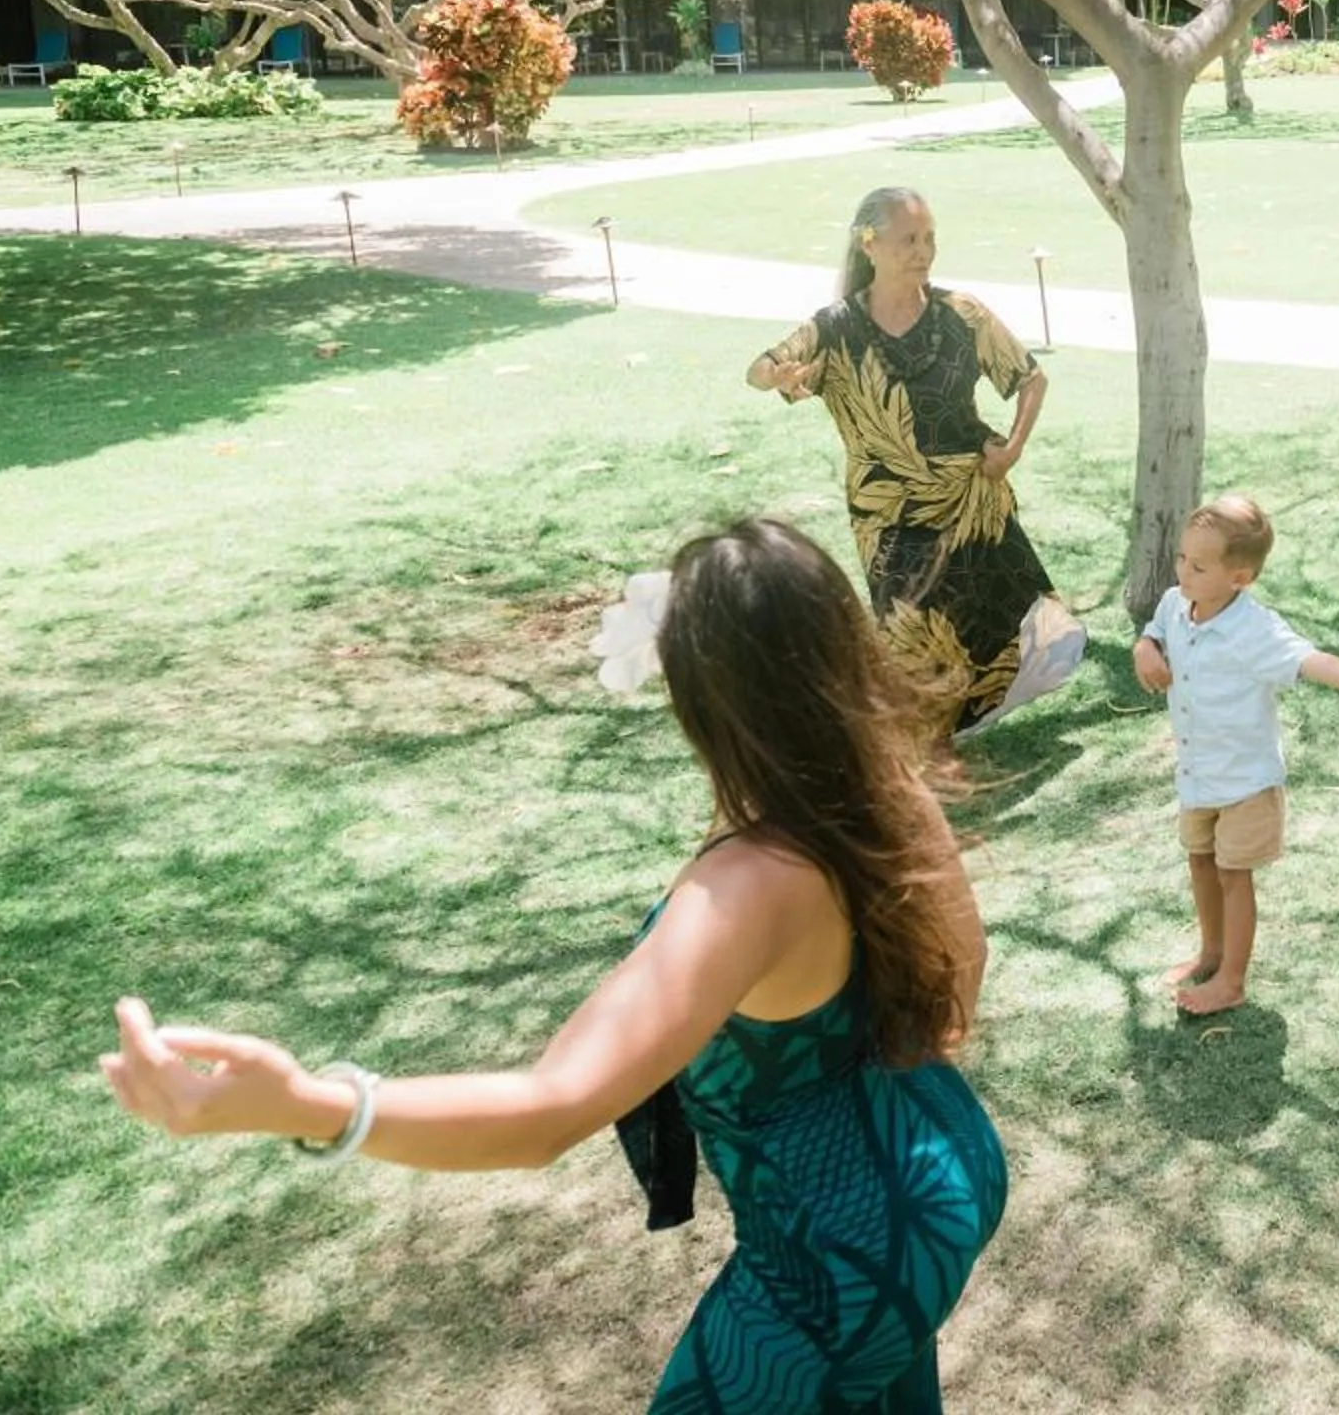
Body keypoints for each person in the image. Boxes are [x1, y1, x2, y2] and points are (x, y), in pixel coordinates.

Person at [97, 518, 1009, 1414]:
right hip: (940, 1169)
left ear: (698, 700)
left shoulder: (743, 893)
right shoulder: (882, 791)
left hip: (832, 1257)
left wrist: (305, 1105)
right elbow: (956, 993)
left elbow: (547, 1113)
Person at [748, 186, 1081, 735]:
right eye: (909, 239)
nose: (923, 250)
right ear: (870, 244)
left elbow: (1030, 379)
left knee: (981, 624)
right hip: (888, 513)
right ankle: (919, 747)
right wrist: (776, 376)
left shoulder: (963, 314)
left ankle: (943, 745)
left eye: (929, 238)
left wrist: (1012, 449)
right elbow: (761, 368)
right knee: (907, 628)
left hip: (970, 501)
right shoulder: (835, 327)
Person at [1131, 494, 1339, 1017]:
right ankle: (1211, 951)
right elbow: (1153, 631)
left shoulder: (1256, 631)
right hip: (1197, 774)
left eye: (1198, 566)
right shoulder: (1176, 604)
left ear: (1240, 578)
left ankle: (1231, 980)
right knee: (1200, 861)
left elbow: (1312, 661)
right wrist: (1144, 649)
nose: (1182, 572)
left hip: (1246, 781)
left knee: (1232, 873)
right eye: (1181, 558)